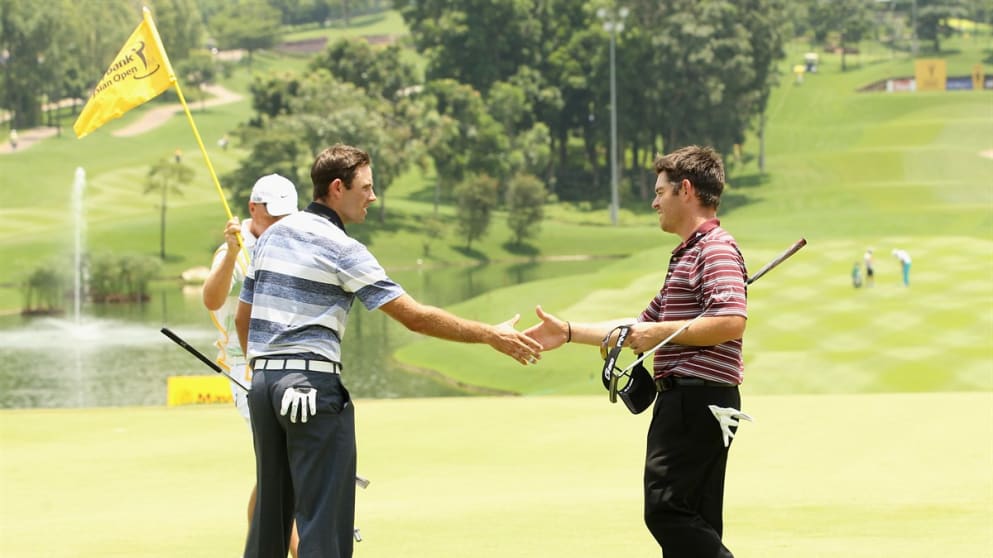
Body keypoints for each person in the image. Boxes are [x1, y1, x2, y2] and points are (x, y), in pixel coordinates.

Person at [235, 143, 543, 558]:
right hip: (310, 387)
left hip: (264, 387)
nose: (374, 196)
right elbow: (413, 317)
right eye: (367, 186)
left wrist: (265, 378)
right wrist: (489, 333)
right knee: (324, 528)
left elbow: (244, 320)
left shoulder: (270, 237)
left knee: (269, 527)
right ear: (338, 187)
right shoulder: (341, 247)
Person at [524, 145, 748, 557]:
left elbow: (730, 321)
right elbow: (635, 329)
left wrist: (660, 333)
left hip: (696, 400)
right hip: (691, 400)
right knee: (693, 519)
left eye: (660, 191)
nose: (654, 201)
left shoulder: (714, 248)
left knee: (665, 509)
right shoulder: (686, 256)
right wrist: (570, 332)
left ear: (685, 190)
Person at [201, 173, 301, 557]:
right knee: (283, 467)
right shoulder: (235, 249)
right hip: (246, 372)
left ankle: (266, 548)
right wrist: (229, 253)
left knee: (278, 469)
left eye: (285, 216)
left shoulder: (289, 243)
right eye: (272, 215)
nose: (279, 223)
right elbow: (212, 300)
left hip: (285, 365)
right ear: (253, 209)